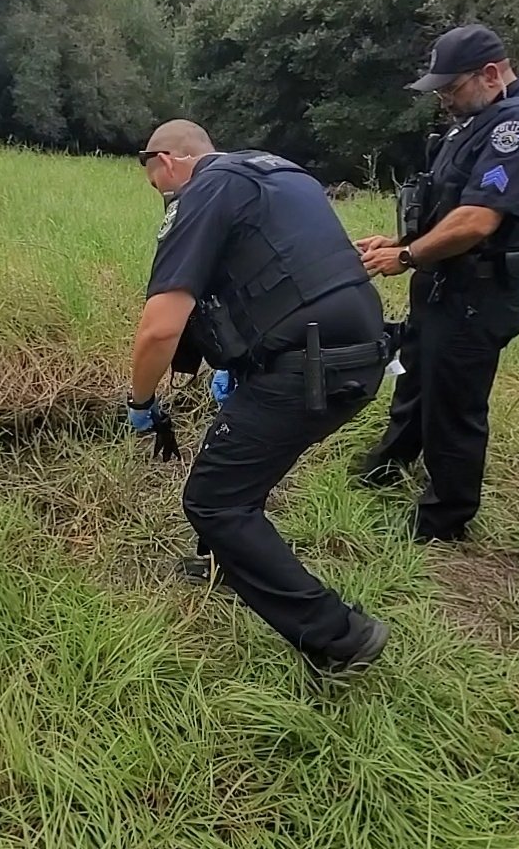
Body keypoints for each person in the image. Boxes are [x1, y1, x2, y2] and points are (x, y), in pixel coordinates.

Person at [125, 119, 397, 678]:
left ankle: (340, 636)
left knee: (215, 499)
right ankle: (221, 562)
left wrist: (141, 402)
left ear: (167, 160)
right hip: (359, 351)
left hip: (306, 368)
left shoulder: (202, 189)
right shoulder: (278, 172)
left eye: (156, 182)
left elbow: (159, 329)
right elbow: (293, 270)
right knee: (235, 458)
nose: (161, 195)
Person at [356, 24, 519, 543]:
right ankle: (388, 465)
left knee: (454, 404)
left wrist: (407, 256)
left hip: (477, 292)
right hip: (441, 283)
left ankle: (443, 520)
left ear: (491, 74)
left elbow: (478, 221)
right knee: (415, 377)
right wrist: (396, 241)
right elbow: (448, 208)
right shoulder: (476, 121)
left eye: (451, 88)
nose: (445, 100)